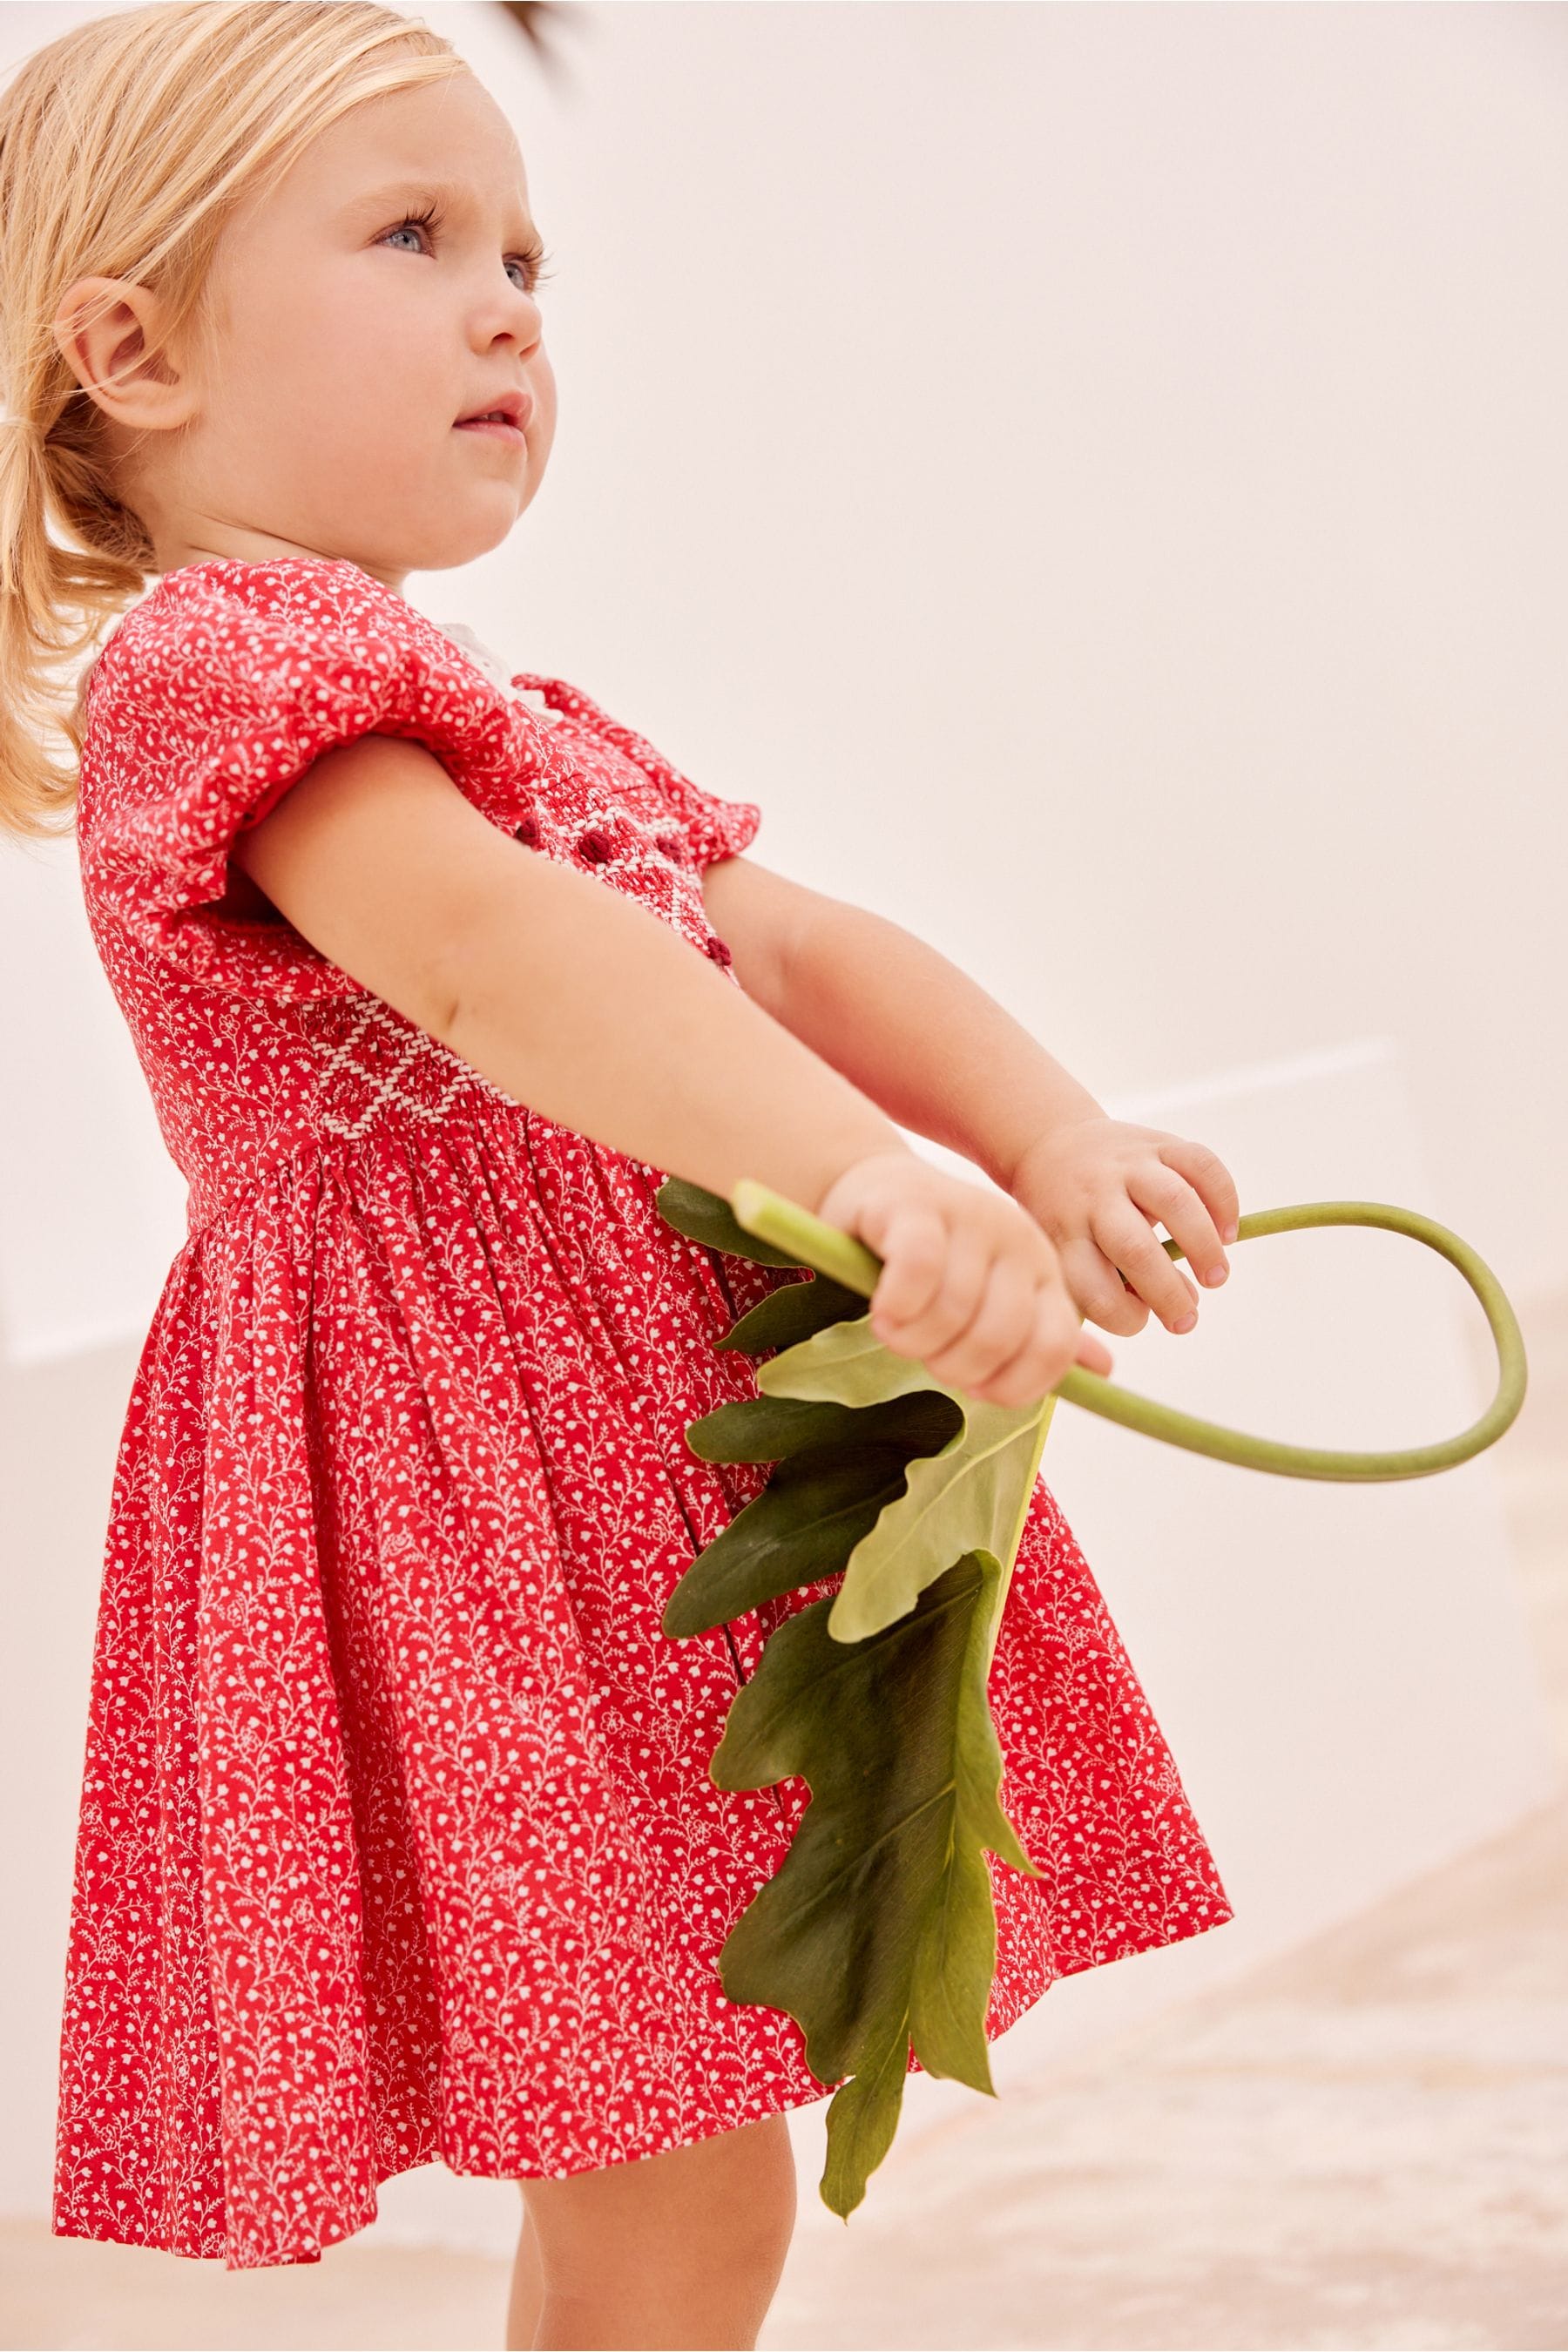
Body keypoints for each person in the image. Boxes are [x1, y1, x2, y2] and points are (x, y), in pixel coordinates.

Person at [0, 4, 1241, 2343]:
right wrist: (866, 1178)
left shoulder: (506, 709)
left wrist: (1042, 1129)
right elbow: (483, 961)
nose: (509, 306)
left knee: (686, 2157)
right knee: (677, 2176)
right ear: (132, 347)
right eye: (416, 235)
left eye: (528, 260)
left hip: (616, 1485)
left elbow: (772, 934)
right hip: (469, 1511)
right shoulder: (228, 666)